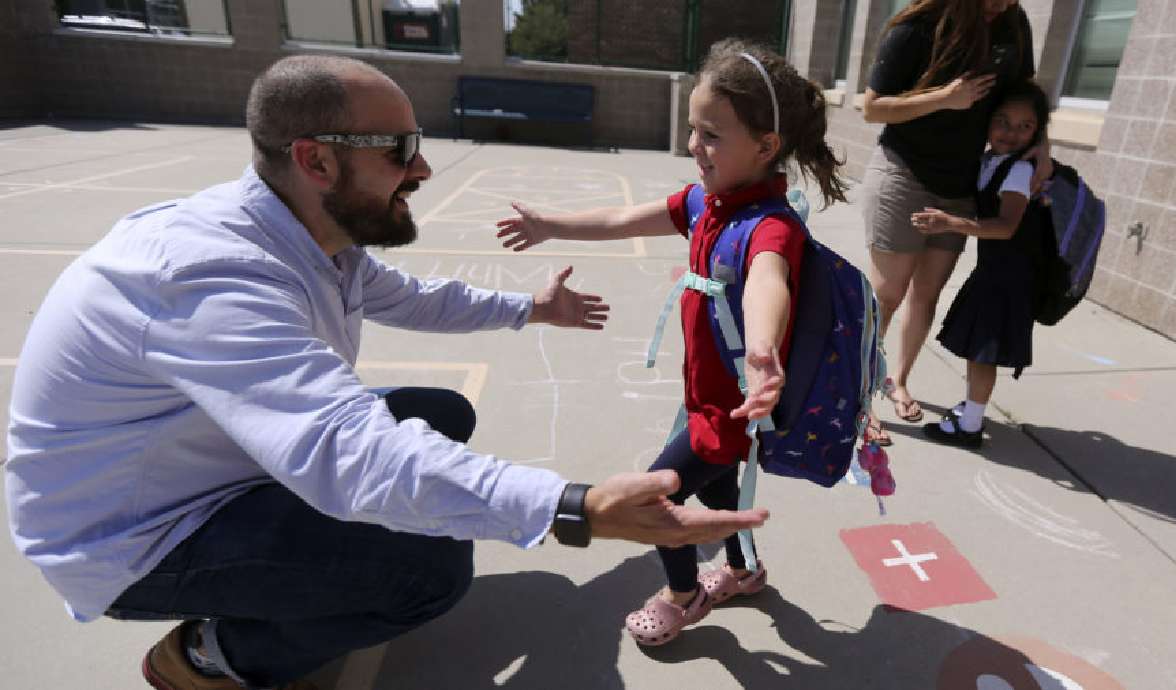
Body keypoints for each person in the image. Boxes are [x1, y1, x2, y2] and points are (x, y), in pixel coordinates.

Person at [3, 55, 769, 690]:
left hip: (197, 464)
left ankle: (306, 581)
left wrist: (530, 308)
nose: (423, 166)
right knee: (431, 568)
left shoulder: (304, 228)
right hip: (135, 534)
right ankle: (213, 655)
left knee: (440, 415)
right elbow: (345, 450)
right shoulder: (212, 277)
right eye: (399, 150)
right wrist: (577, 506)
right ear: (316, 158)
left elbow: (410, 297)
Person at [496, 39, 846, 646]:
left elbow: (770, 281)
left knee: (659, 499)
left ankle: (684, 595)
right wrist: (550, 224)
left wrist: (763, 349)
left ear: (765, 147)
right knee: (715, 486)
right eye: (693, 129)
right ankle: (742, 570)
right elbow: (622, 219)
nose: (694, 146)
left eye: (712, 134)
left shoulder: (769, 225)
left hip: (730, 408)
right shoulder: (707, 203)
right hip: (706, 398)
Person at [860, 0, 1049, 444]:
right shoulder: (918, 27)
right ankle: (858, 396)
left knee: (926, 294)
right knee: (887, 295)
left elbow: (1025, 92)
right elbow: (872, 108)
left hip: (960, 185)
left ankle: (898, 379)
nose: (1000, 5)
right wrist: (945, 98)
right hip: (903, 172)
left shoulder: (1013, 25)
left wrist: (1041, 144)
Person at [910, 81, 1051, 447]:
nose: (1011, 133)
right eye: (1003, 121)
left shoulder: (1020, 171)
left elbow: (1005, 228)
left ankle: (970, 426)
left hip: (1007, 276)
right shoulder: (994, 161)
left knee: (982, 353)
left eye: (1025, 126)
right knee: (979, 350)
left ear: (1037, 131)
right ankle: (972, 410)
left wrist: (950, 223)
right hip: (995, 271)